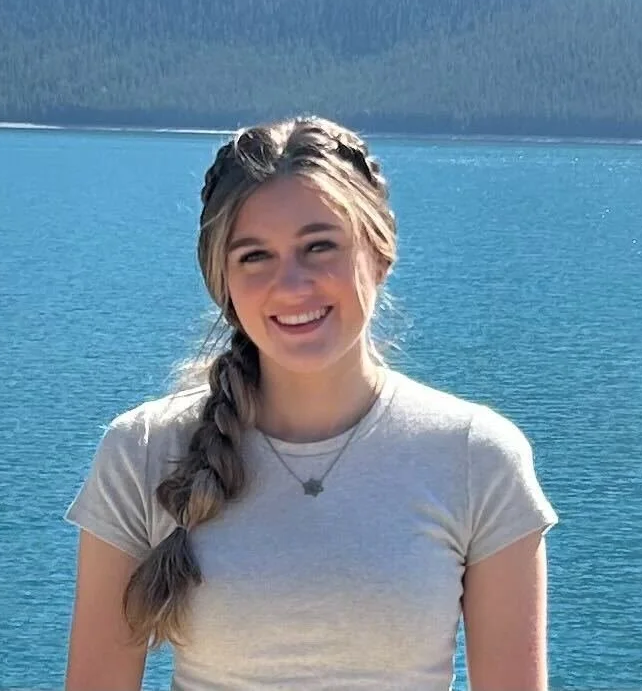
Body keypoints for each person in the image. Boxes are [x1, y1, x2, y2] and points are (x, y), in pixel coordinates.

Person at [64, 116, 557, 691]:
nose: (292, 285)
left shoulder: (478, 458)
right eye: (254, 257)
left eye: (319, 246)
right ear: (221, 281)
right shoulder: (144, 451)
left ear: (380, 253)